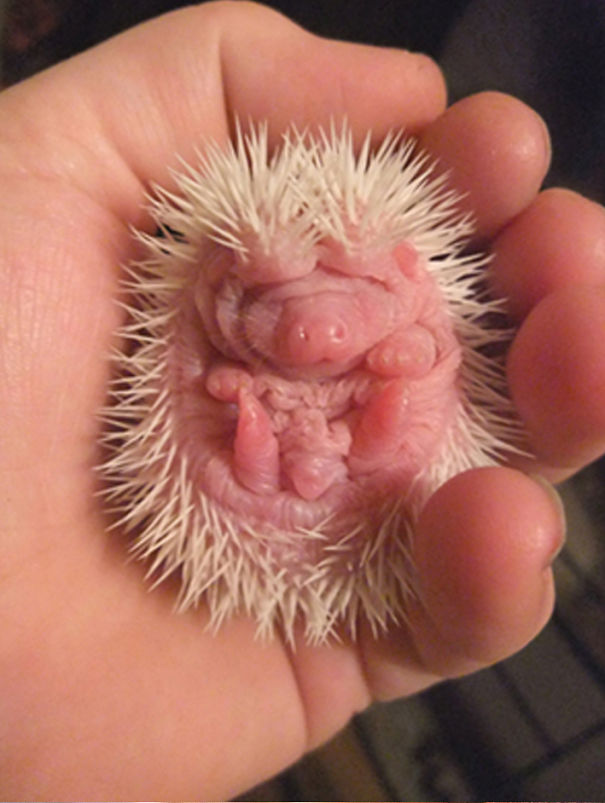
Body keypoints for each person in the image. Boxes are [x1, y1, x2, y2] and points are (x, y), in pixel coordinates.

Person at [1, 2, 604, 799]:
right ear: (216, 287)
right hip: (260, 478)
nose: (313, 335)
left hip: (347, 485)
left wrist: (266, 385)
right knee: (300, 425)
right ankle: (306, 441)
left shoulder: (365, 285)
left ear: (401, 272)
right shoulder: (215, 278)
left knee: (388, 419)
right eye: (274, 308)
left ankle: (317, 438)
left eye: (335, 305)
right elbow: (180, 369)